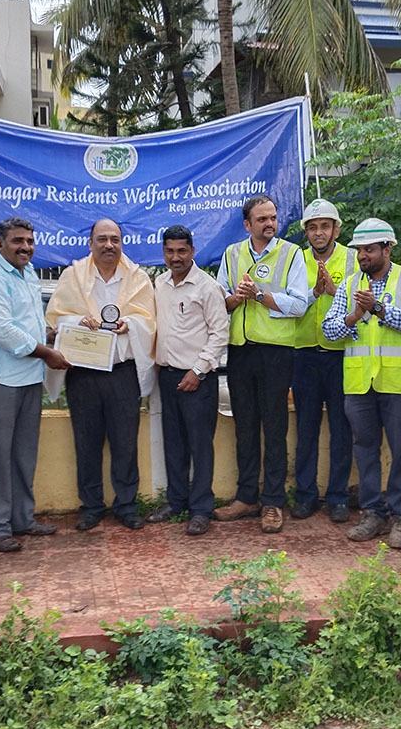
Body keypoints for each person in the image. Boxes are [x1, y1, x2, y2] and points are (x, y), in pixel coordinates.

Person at [321, 218, 401, 550]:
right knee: (364, 451)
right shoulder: (352, 284)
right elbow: (329, 330)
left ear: (387, 248)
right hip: (358, 384)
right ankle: (373, 513)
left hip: (398, 382)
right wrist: (354, 316)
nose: (362, 256)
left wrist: (379, 308)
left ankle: (400, 516)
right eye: (358, 251)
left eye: (369, 250)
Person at [0, 217, 70, 553]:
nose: (25, 247)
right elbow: (3, 332)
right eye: (17, 241)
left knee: (23, 453)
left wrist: (52, 335)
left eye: (29, 241)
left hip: (27, 378)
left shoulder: (27, 274)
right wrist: (47, 352)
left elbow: (29, 323)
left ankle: (22, 518)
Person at [46, 219, 156, 531]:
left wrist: (130, 325)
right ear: (91, 243)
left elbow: (150, 320)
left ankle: (126, 505)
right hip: (83, 373)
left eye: (115, 239)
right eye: (102, 239)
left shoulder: (137, 279)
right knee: (86, 442)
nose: (109, 245)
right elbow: (56, 318)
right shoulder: (73, 276)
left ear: (122, 243)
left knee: (125, 443)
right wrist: (77, 321)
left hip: (122, 373)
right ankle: (91, 506)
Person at [213, 195, 309, 534]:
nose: (269, 224)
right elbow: (220, 301)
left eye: (272, 218)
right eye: (262, 219)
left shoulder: (291, 254)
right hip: (240, 351)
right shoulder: (232, 254)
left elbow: (300, 304)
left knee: (275, 427)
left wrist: (258, 296)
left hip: (276, 352)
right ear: (247, 224)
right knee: (245, 427)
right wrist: (235, 298)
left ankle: (272, 501)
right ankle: (246, 497)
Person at [148, 225, 229, 535]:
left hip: (198, 379)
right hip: (167, 377)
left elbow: (220, 333)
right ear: (164, 252)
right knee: (174, 444)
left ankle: (200, 509)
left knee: (199, 445)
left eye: (182, 251)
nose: (176, 257)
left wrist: (198, 370)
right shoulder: (160, 284)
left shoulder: (207, 287)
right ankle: (177, 501)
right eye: (170, 251)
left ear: (192, 251)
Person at [291, 198, 357, 522]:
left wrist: (333, 292)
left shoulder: (353, 259)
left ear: (336, 229)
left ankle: (338, 497)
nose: (319, 232)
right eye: (313, 227)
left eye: (325, 226)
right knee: (306, 428)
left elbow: (362, 304)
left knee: (341, 430)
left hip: (340, 354)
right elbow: (287, 305)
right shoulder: (295, 260)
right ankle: (305, 495)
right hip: (303, 353)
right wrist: (315, 293)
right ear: (306, 232)